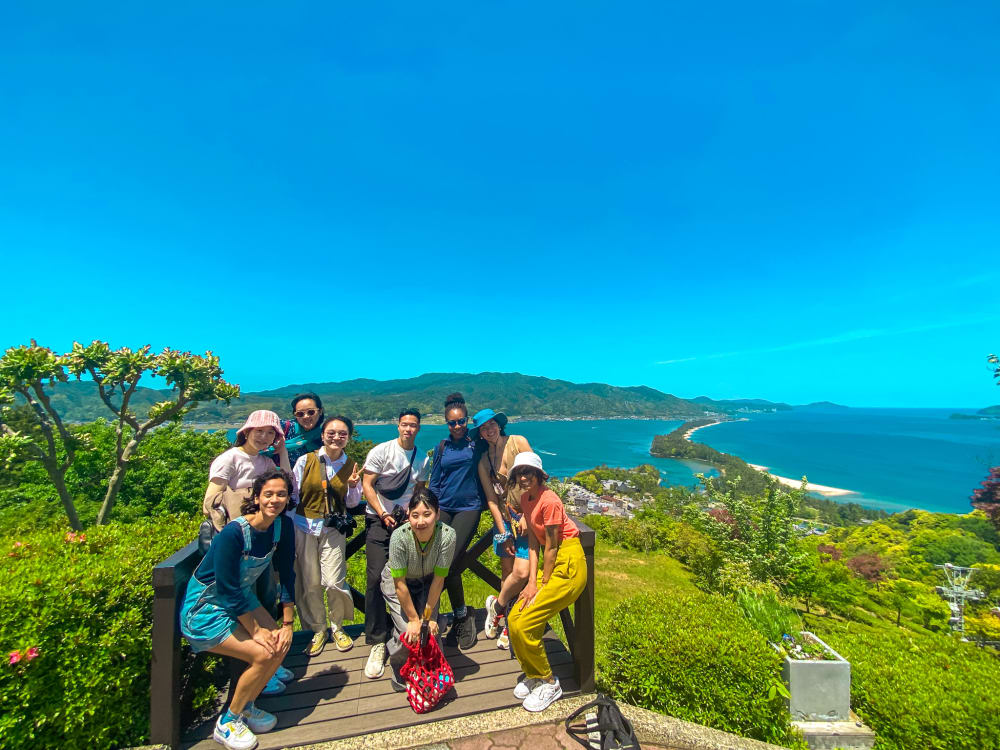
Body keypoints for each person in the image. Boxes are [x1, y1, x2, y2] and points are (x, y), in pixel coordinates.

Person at [180, 468, 297, 750]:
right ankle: (228, 721)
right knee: (264, 653)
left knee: (280, 644)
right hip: (206, 609)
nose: (274, 500)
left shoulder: (282, 527)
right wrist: (256, 631)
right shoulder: (234, 534)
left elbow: (286, 572)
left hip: (241, 600)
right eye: (268, 494)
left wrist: (288, 624)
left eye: (281, 494)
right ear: (256, 497)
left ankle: (247, 705)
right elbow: (227, 588)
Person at [506, 452, 587, 712]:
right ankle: (535, 674)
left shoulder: (549, 500)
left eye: (529, 472)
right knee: (515, 618)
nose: (524, 477)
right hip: (551, 564)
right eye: (519, 473)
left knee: (527, 621)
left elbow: (551, 546)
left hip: (568, 563)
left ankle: (550, 682)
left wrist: (541, 583)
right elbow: (533, 542)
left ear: (540, 475)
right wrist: (531, 581)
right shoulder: (526, 499)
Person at [360, 408, 431, 680]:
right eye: (404, 424)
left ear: (418, 428)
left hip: (407, 525)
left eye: (413, 425)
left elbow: (419, 492)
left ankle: (408, 631)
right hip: (379, 520)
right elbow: (368, 485)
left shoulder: (421, 458)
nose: (408, 429)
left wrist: (415, 519)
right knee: (376, 576)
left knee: (411, 576)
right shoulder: (381, 452)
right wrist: (383, 513)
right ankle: (377, 640)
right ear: (397, 425)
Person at [290, 415, 362, 657]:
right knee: (309, 582)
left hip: (333, 530)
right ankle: (318, 629)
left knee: (334, 581)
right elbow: (294, 496)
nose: (336, 437)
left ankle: (337, 626)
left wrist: (353, 485)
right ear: (322, 435)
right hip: (304, 526)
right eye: (331, 432)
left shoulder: (349, 464)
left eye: (342, 433)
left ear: (348, 438)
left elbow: (352, 503)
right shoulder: (305, 461)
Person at [469, 408, 533, 650]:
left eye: (492, 424)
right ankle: (506, 619)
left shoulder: (518, 442)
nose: (489, 430)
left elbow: (536, 477)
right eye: (483, 428)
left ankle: (499, 607)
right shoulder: (484, 460)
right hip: (504, 521)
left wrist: (529, 515)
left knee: (523, 573)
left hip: (527, 519)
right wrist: (503, 531)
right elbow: (491, 499)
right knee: (507, 572)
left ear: (499, 424)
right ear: (480, 434)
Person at [380, 487, 456, 691]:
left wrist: (427, 617)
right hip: (397, 583)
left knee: (430, 627)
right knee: (408, 630)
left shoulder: (447, 536)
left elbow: (439, 580)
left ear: (438, 514)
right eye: (415, 515)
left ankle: (430, 669)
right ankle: (400, 671)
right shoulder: (400, 537)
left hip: (428, 582)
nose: (420, 521)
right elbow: (399, 584)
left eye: (427, 514)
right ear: (408, 516)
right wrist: (415, 620)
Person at [428, 393, 483, 651]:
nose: (458, 426)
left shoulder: (477, 443)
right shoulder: (443, 447)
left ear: (468, 420)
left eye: (461, 421)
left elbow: (500, 447)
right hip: (444, 508)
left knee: (447, 560)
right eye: (452, 423)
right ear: (446, 424)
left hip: (469, 508)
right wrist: (431, 511)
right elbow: (436, 481)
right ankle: (444, 615)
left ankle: (461, 614)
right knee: (437, 560)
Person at [203, 410, 292, 531]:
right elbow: (208, 505)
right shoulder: (229, 459)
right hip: (235, 530)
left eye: (270, 433)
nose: (264, 437)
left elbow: (288, 485)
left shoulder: (266, 462)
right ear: (246, 432)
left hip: (260, 528)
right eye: (259, 431)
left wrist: (283, 451)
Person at [269, 392, 325, 467]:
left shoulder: (324, 437)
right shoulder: (281, 428)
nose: (306, 416)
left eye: (311, 412)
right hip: (272, 476)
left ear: (320, 411)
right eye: (300, 414)